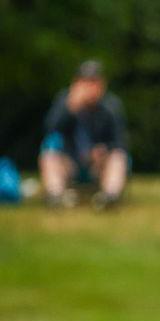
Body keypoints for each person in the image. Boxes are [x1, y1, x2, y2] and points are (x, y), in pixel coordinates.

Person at [39, 60, 129, 210]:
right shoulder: (64, 102)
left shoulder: (111, 106)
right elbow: (50, 130)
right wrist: (70, 108)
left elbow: (121, 141)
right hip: (71, 161)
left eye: (94, 82)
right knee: (49, 150)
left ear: (102, 84)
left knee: (118, 156)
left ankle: (110, 197)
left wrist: (103, 149)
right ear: (76, 84)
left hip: (98, 164)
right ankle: (55, 196)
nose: (90, 88)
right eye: (86, 82)